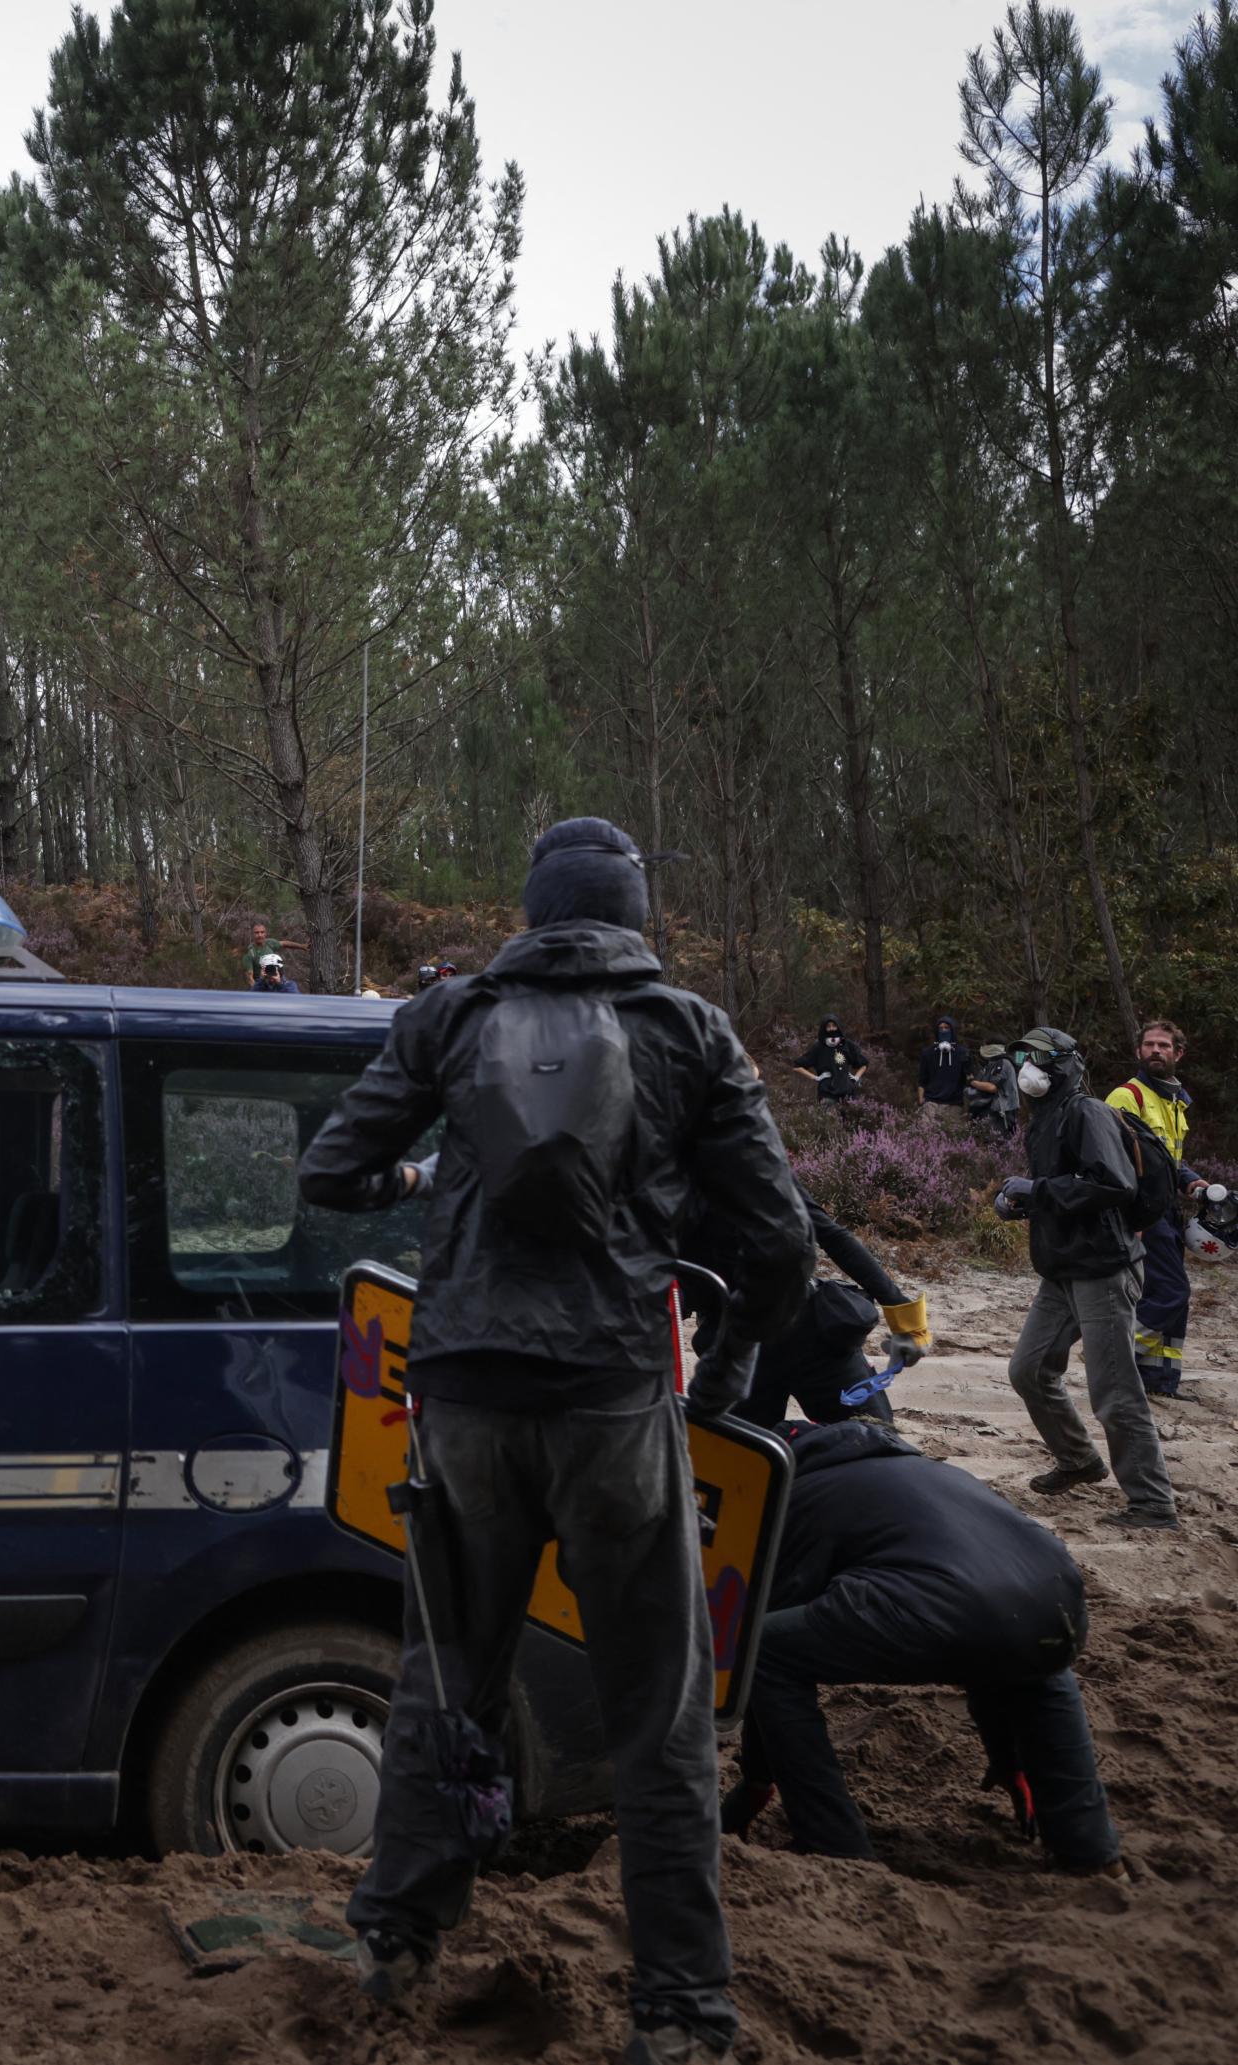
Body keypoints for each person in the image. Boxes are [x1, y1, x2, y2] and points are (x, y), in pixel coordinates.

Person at [299, 815, 809, 2064]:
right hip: (613, 1403)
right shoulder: (688, 1028)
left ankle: (394, 1942)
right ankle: (682, 2008)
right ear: (634, 914)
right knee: (659, 1708)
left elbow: (331, 1172)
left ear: (531, 909)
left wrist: (426, 1188)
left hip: (462, 1393)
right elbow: (782, 1248)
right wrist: (724, 1378)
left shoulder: (450, 1016)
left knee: (444, 1674)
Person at [723, 1418, 1119, 1872]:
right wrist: (1009, 1759)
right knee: (1038, 1665)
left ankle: (836, 1847)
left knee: (766, 1650)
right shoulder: (939, 1474)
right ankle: (1091, 1851)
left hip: (940, 1609)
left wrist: (756, 1779)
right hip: (1057, 1599)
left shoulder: (800, 1493)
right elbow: (989, 1622)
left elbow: (762, 1642)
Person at [996, 1027, 1176, 1529]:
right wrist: (1024, 1201)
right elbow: (1065, 1191)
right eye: (1023, 1057)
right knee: (1028, 1371)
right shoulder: (1044, 1119)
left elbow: (1113, 1184)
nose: (1028, 1069)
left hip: (1104, 1269)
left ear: (1065, 1065)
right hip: (1061, 1268)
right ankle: (1079, 1460)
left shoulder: (1087, 1112)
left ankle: (1153, 1502)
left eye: (1038, 1059)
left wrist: (1038, 1189)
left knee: (1114, 1389)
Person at [684, 1178, 926, 1430]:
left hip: (810, 1333)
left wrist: (906, 1320)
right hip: (736, 1349)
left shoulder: (744, 1160)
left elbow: (831, 1236)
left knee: (874, 1438)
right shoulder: (655, 1191)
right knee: (740, 1462)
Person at [1106, 1021, 1203, 1399]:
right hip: (1143, 1211)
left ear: (1178, 1054)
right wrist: (1131, 1214)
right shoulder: (1127, 1096)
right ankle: (1117, 1358)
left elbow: (1169, 1160)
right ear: (1138, 1052)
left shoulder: (1175, 1101)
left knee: (1168, 1300)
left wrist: (1193, 1182)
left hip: (1169, 1209)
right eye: (1149, 1045)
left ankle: (1160, 1381)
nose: (1156, 1050)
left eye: (1164, 1045)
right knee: (1171, 1293)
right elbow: (1113, 1160)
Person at [793, 1015, 870, 1111]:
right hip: (827, 1094)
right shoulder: (819, 1047)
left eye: (834, 1025)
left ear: (838, 1026)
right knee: (829, 1123)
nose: (831, 1028)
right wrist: (816, 1078)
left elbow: (864, 1063)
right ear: (824, 1028)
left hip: (848, 1093)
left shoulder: (847, 1045)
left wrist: (856, 1077)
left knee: (850, 1124)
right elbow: (797, 1066)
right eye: (828, 1026)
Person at [915, 1015, 974, 1125]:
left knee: (953, 1139)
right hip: (931, 1104)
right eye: (940, 1028)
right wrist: (921, 1100)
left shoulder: (963, 1053)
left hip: (954, 1105)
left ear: (953, 1030)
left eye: (947, 1027)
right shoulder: (927, 1053)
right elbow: (922, 1080)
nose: (943, 1030)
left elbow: (969, 1079)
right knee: (925, 1137)